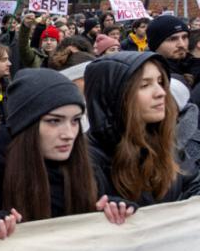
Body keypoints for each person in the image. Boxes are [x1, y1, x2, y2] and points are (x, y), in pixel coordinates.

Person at [0, 69, 135, 237]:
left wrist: (117, 213)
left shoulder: (92, 173)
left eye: (75, 120)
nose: (69, 134)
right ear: (25, 125)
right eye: (54, 121)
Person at [85, 52, 200, 205]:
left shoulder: (163, 141)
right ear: (114, 96)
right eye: (145, 85)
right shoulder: (86, 160)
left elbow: (193, 184)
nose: (161, 93)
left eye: (160, 82)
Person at [146, 15, 197, 86]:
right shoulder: (148, 76)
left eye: (184, 37)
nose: (182, 44)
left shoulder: (193, 65)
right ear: (156, 45)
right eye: (172, 39)